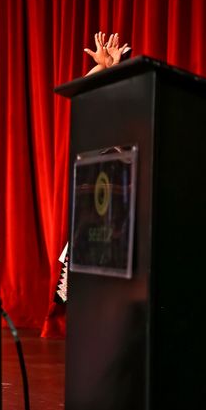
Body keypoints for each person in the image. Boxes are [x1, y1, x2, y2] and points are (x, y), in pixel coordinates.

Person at [53, 32, 131, 306]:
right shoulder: (95, 124)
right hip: (93, 204)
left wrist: (113, 69)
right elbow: (84, 94)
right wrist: (103, 67)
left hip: (120, 205)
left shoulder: (130, 114)